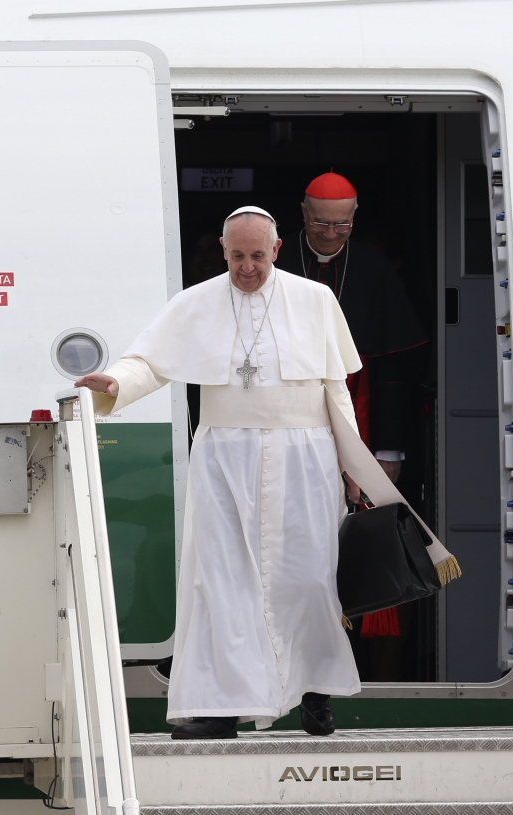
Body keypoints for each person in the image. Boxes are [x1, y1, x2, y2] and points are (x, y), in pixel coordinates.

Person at [75, 206, 363, 739]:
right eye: (236, 257)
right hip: (225, 457)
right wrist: (116, 383)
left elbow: (335, 387)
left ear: (276, 250)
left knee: (309, 579)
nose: (247, 268)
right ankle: (220, 707)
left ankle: (313, 688)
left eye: (257, 256)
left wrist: (354, 464)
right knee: (222, 583)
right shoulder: (197, 301)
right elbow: (149, 361)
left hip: (305, 458)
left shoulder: (316, 299)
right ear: (224, 252)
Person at [276, 171, 427, 480]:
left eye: (342, 224)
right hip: (283, 409)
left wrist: (388, 449)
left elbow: (392, 368)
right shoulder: (275, 261)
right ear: (304, 213)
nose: (331, 234)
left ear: (354, 215)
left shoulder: (375, 270)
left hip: (356, 411)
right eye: (321, 223)